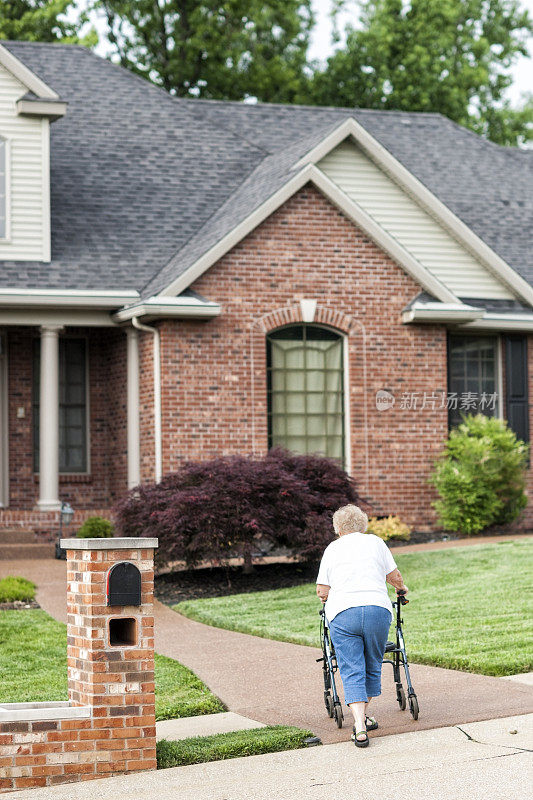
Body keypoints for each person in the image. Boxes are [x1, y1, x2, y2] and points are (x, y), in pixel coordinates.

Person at [316, 504, 408, 748]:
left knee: (350, 666)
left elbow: (322, 590)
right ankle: (364, 716)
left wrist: (328, 598)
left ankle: (359, 725)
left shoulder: (332, 549)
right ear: (363, 524)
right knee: (371, 663)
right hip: (377, 610)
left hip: (343, 614)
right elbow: (394, 576)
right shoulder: (376, 543)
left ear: (337, 528)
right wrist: (401, 589)